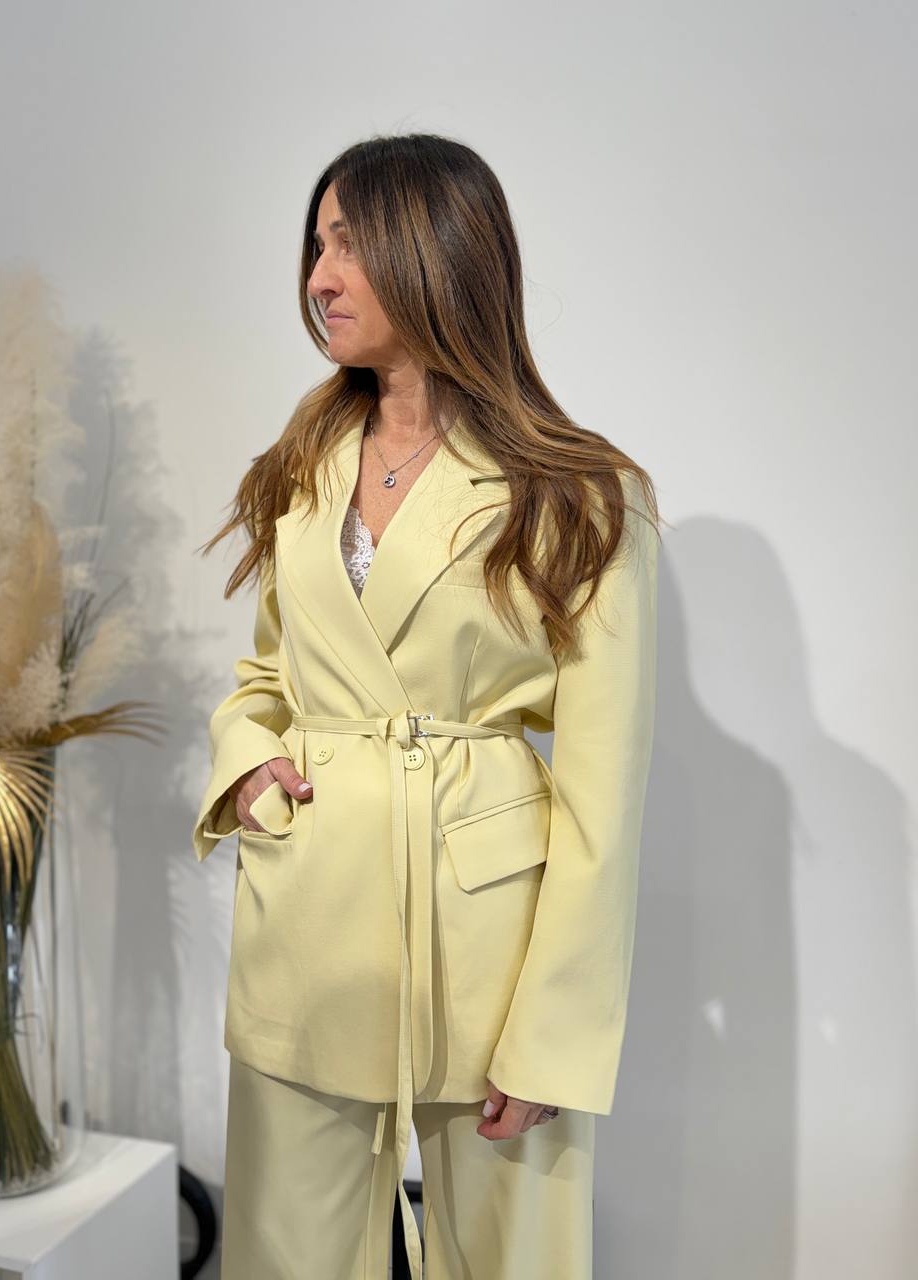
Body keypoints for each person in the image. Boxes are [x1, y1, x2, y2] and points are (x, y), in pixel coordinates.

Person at [193, 132, 661, 1279]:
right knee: (280, 1255)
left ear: (437, 251)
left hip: (488, 945)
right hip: (308, 917)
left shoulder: (582, 492)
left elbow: (602, 794)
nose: (319, 277)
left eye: (348, 244)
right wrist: (248, 762)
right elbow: (269, 676)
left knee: (511, 1260)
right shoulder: (301, 465)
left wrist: (554, 1033)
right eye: (316, 245)